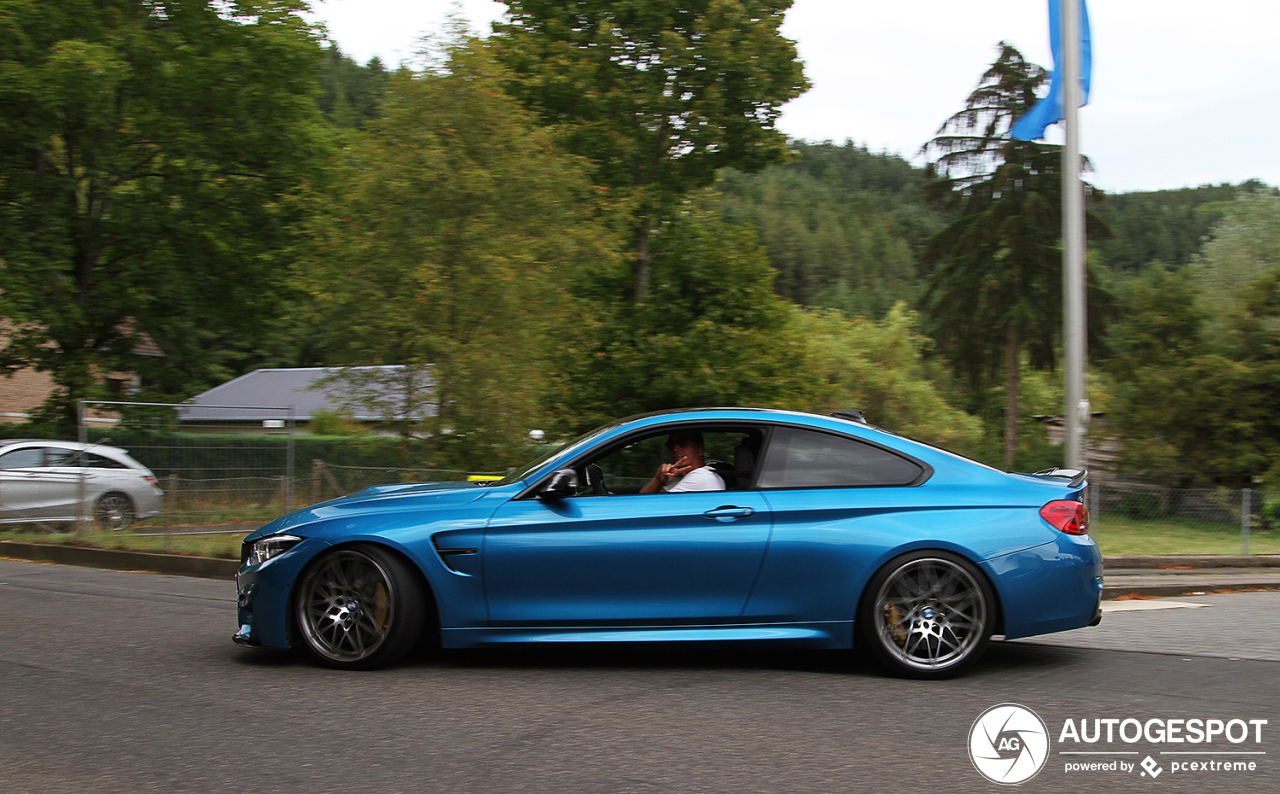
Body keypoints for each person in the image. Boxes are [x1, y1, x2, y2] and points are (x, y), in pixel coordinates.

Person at [639, 431, 725, 494]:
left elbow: (645, 504)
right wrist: (659, 479)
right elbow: (644, 499)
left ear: (700, 450)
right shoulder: (687, 477)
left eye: (683, 443)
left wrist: (659, 481)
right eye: (670, 445)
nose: (675, 449)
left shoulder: (700, 476)